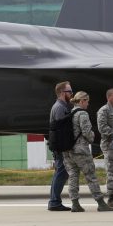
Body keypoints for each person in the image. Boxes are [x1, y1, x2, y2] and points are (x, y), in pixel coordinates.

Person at [63, 91, 113, 212]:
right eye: (87, 101)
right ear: (82, 101)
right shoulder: (82, 114)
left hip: (68, 151)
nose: (88, 104)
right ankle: (101, 203)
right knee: (91, 176)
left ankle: (75, 203)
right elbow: (87, 132)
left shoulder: (69, 113)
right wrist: (92, 138)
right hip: (81, 150)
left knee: (73, 176)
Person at [47, 81, 73, 211]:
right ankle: (54, 202)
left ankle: (54, 201)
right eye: (70, 91)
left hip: (60, 146)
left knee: (60, 173)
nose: (71, 94)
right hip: (61, 147)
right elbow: (61, 130)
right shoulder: (60, 108)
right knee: (61, 173)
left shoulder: (62, 106)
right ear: (63, 93)